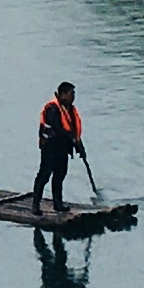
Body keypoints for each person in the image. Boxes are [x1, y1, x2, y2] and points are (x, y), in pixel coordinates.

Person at [33, 81, 86, 210]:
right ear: (63, 94)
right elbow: (57, 128)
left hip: (63, 148)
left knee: (60, 175)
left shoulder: (71, 110)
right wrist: (72, 140)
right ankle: (36, 204)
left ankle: (58, 204)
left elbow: (73, 130)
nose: (73, 97)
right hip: (50, 147)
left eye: (74, 94)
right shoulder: (52, 108)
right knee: (45, 174)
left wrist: (80, 147)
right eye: (71, 94)